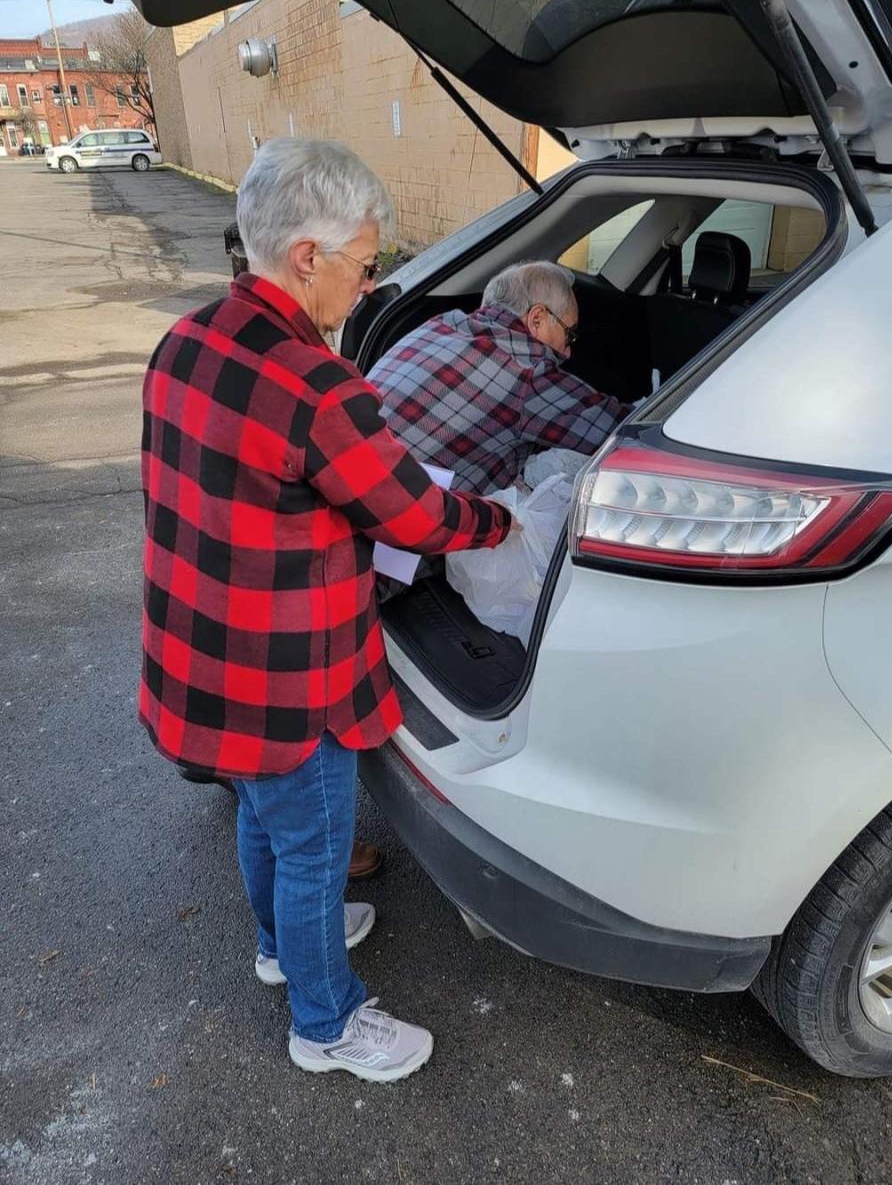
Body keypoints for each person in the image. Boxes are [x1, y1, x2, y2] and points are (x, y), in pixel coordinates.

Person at [138, 137, 512, 1082]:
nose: (367, 284)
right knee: (313, 841)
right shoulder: (316, 387)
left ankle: (280, 943)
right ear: (310, 256)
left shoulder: (185, 340)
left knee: (264, 815)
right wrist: (499, 520)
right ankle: (328, 1022)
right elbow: (417, 515)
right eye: (365, 264)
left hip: (202, 653)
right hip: (286, 676)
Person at [367, 261, 634, 495]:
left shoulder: (442, 323)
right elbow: (622, 433)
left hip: (345, 488)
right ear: (537, 319)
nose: (568, 350)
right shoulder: (527, 372)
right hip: (396, 531)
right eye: (569, 333)